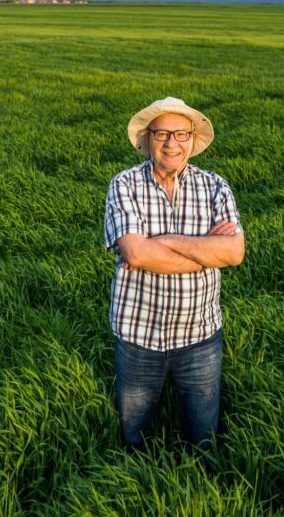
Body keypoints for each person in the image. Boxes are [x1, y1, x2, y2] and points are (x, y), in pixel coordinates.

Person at [103, 97, 245, 451]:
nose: (171, 143)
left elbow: (234, 252)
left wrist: (165, 241)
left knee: (204, 434)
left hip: (199, 335)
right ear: (147, 139)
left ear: (192, 140)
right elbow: (135, 253)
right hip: (138, 335)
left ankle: (201, 477)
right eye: (162, 134)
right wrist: (207, 252)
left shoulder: (215, 186)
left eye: (181, 134)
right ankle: (134, 474)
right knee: (132, 431)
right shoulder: (124, 184)